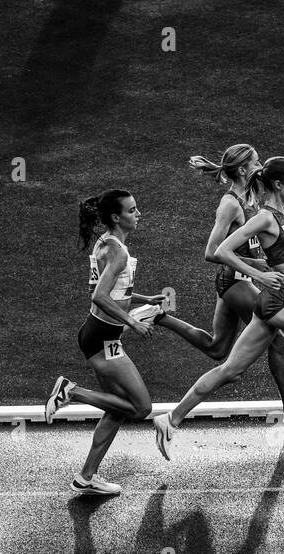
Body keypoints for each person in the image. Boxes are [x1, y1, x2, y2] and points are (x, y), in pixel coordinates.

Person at [151, 156, 284, 458]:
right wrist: (259, 274)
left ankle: (170, 419)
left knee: (229, 370)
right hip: (279, 305)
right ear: (278, 184)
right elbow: (220, 251)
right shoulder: (264, 218)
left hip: (272, 308)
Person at [154, 145, 284, 428]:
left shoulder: (253, 193)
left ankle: (159, 316)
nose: (261, 164)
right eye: (256, 161)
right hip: (237, 281)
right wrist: (256, 267)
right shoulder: (230, 204)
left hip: (241, 280)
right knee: (278, 342)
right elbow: (212, 251)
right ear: (242, 170)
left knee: (217, 349)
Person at [43, 190, 167, 494]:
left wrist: (143, 298)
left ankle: (86, 476)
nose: (139, 214)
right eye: (132, 210)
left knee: (117, 410)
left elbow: (106, 291)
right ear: (116, 217)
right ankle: (72, 392)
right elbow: (99, 296)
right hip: (103, 338)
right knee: (140, 408)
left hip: (97, 333)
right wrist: (133, 321)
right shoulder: (119, 251)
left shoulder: (107, 244)